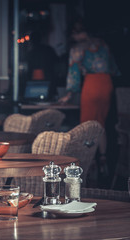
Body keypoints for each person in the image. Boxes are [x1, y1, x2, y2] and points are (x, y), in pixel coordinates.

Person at [58, 19, 120, 175]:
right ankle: (103, 159)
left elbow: (74, 73)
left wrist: (69, 94)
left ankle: (90, 162)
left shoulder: (78, 48)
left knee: (87, 124)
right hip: (107, 84)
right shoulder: (103, 44)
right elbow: (113, 68)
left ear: (75, 33)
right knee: (100, 123)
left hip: (91, 84)